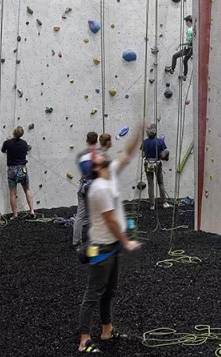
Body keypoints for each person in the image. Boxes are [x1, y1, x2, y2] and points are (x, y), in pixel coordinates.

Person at [76, 149, 141, 354]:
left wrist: (138, 134)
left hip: (111, 247)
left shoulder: (106, 179)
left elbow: (127, 152)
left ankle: (107, 330)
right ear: (95, 167)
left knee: (108, 290)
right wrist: (126, 242)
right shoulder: (100, 188)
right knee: (92, 294)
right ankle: (84, 341)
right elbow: (111, 221)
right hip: (102, 249)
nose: (100, 153)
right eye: (96, 156)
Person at [2, 126, 32, 218]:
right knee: (27, 189)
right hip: (23, 169)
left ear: (14, 133)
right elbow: (26, 151)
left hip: (12, 170)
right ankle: (32, 211)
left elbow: (3, 150)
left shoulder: (7, 143)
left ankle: (15, 214)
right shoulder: (24, 143)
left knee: (12, 193)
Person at [141, 124, 169, 209]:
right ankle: (164, 203)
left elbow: (143, 155)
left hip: (148, 164)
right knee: (160, 183)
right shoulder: (160, 141)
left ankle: (152, 205)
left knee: (150, 184)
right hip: (157, 164)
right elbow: (164, 154)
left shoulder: (144, 142)